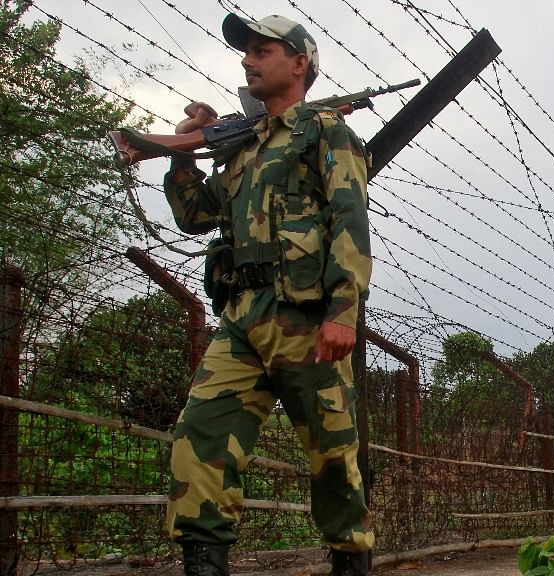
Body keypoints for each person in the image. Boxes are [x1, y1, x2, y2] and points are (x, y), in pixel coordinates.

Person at [162, 13, 373, 576]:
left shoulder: (327, 132)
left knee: (333, 456)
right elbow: (194, 215)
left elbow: (349, 222)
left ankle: (350, 559)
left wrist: (344, 312)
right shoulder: (241, 148)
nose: (248, 60)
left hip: (305, 317)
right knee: (198, 442)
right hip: (240, 317)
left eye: (262, 50)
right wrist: (184, 148)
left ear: (299, 64)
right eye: (246, 51)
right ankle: (204, 560)